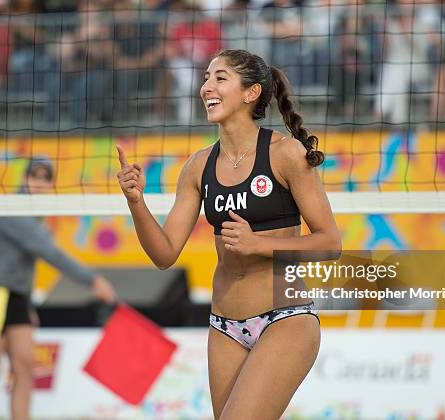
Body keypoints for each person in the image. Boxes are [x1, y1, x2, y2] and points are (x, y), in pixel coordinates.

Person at [116, 49, 341, 419]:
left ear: (251, 93)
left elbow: (330, 243)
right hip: (224, 326)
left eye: (220, 78)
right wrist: (135, 202)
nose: (207, 86)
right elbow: (164, 254)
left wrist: (258, 244)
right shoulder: (198, 165)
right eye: (206, 77)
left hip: (285, 317)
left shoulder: (286, 153)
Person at [0, 159, 117, 420]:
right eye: (35, 176)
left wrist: (28, 305)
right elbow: (50, 253)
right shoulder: (14, 211)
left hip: (15, 296)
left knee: (25, 366)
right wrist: (93, 280)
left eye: (46, 178)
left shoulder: (36, 216)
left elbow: (24, 265)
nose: (40, 182)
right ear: (24, 179)